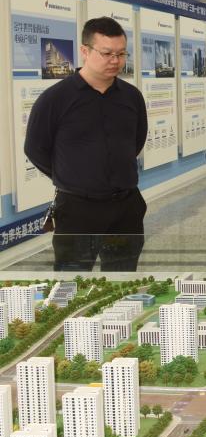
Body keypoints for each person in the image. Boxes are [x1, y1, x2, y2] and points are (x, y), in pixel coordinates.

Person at [25, 16, 148, 272]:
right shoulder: (55, 98)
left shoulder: (132, 97)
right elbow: (35, 148)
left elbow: (136, 141)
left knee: (123, 278)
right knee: (72, 280)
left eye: (121, 54)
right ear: (84, 51)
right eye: (107, 53)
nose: (115, 60)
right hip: (77, 209)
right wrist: (71, 175)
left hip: (126, 207)